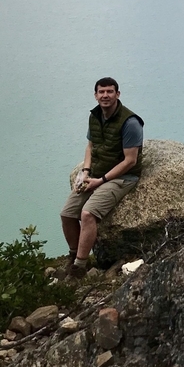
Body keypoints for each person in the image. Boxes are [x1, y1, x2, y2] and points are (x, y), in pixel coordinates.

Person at [59, 77, 144, 278]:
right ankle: (74, 256)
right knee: (67, 213)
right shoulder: (95, 116)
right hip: (96, 173)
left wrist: (101, 181)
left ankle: (79, 268)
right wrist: (86, 172)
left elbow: (130, 161)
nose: (105, 95)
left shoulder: (130, 122)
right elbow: (90, 146)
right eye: (101, 92)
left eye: (110, 91)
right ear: (96, 95)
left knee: (87, 214)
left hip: (123, 177)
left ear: (117, 94)